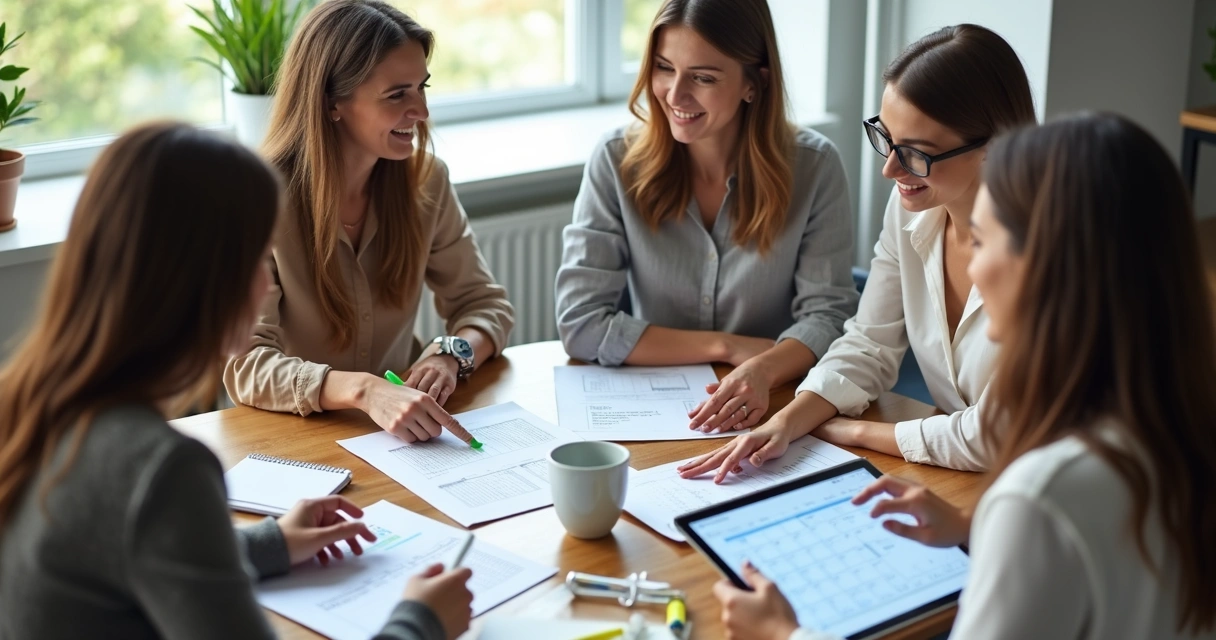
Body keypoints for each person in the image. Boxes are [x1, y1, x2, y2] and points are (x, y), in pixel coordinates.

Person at [713, 113, 1216, 639]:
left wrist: (782, 634)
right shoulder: (1180, 433)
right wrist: (979, 530)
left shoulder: (1040, 496)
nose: (970, 270)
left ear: (1045, 266)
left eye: (981, 240)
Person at [0, 123, 473, 639]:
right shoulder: (165, 470)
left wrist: (268, 544)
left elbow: (122, 551)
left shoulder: (31, 404)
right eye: (257, 257)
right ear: (203, 278)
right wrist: (421, 621)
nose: (267, 280)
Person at [680, 24, 1035, 476]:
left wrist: (855, 432)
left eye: (917, 153)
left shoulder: (1054, 248)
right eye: (887, 139)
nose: (891, 170)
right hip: (969, 477)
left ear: (993, 145)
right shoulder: (910, 207)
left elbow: (992, 436)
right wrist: (786, 423)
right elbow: (870, 344)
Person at [555, 0, 859, 433]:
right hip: (654, 413)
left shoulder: (814, 167)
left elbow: (829, 318)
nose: (674, 95)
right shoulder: (615, 160)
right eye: (664, 67)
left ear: (754, 83)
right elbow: (581, 323)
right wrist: (727, 347)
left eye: (703, 77)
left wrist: (762, 369)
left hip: (773, 404)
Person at [224, 0, 514, 444]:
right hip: (291, 435)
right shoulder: (254, 198)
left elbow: (485, 305)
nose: (421, 111)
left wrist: (449, 355)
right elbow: (246, 364)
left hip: (404, 437)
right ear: (332, 102)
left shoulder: (426, 181)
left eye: (421, 87)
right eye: (397, 95)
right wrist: (364, 390)